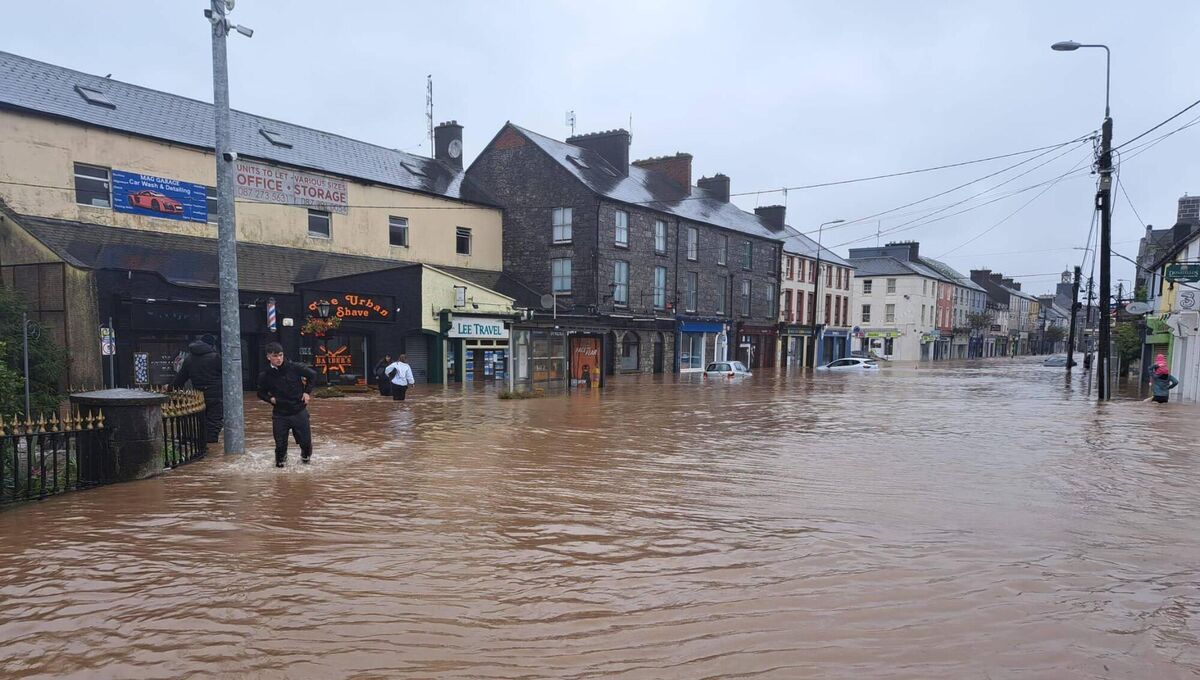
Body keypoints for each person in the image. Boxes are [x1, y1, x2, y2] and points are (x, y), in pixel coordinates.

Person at [256, 342, 317, 467]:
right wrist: (270, 399)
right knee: (280, 446)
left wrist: (306, 392)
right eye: (275, 356)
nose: (278, 359)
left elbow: (313, 375)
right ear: (268, 357)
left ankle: (305, 462)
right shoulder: (265, 375)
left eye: (280, 355)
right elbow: (260, 393)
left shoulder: (294, 367)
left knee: (305, 443)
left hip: (299, 411)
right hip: (280, 414)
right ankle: (280, 470)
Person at [172, 333, 223, 445]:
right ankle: (212, 448)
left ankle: (204, 446)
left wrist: (172, 390)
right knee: (214, 422)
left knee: (201, 421)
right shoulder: (216, 357)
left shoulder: (189, 359)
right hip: (216, 396)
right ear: (212, 345)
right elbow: (227, 375)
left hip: (198, 396)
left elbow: (180, 379)